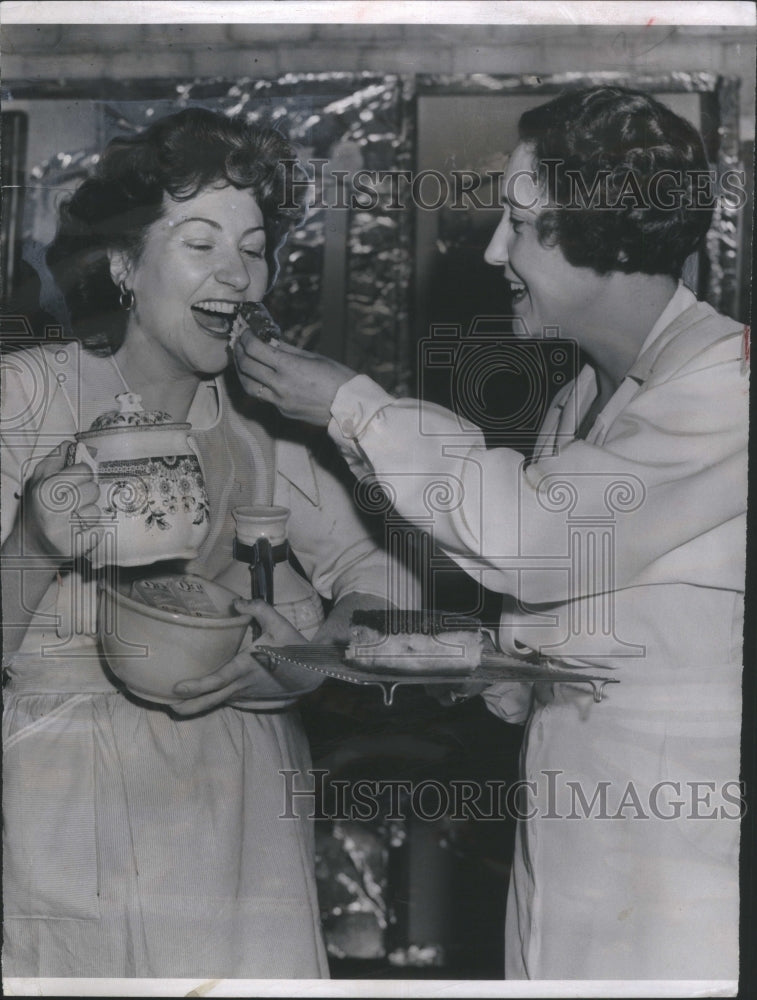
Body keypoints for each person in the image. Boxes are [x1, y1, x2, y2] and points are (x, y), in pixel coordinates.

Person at [227, 86, 748, 980]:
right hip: (573, 831)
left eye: (518, 221)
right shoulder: (580, 400)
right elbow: (563, 611)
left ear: (608, 240)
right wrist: (426, 654)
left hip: (675, 853)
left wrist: (351, 405)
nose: (493, 249)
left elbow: (541, 537)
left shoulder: (726, 386)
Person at [1, 107, 418, 979]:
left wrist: (310, 657)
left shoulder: (264, 430)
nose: (238, 273)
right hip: (66, 799)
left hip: (240, 808)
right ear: (122, 263)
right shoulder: (25, 400)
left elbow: (388, 586)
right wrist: (37, 541)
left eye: (255, 246)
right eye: (200, 243)